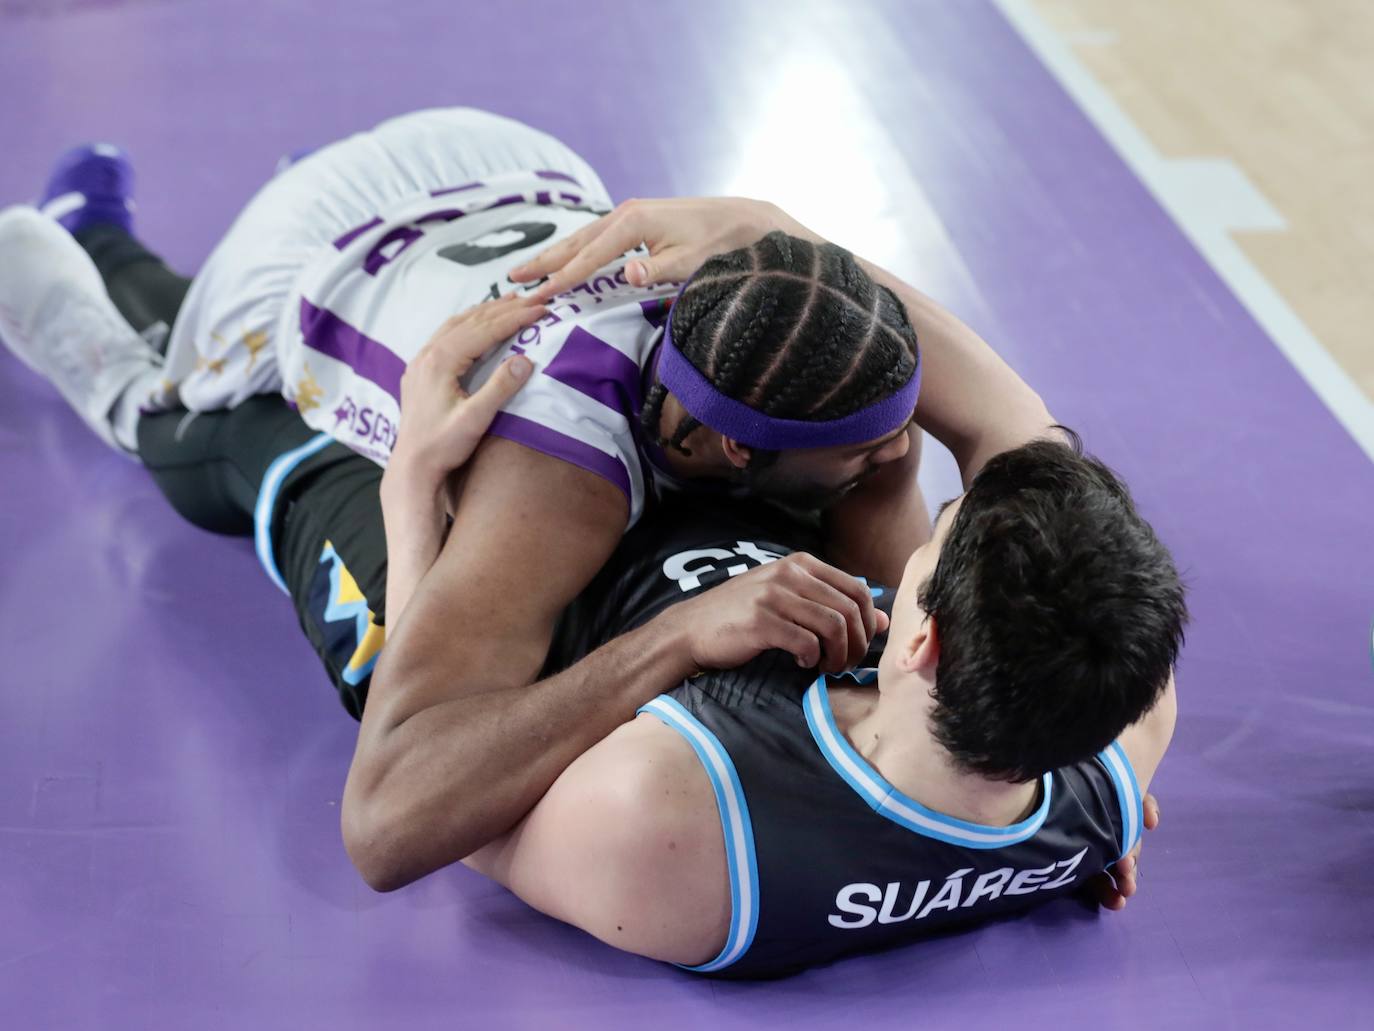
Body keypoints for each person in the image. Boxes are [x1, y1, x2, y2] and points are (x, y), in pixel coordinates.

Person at [0, 244, 1184, 975]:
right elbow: (1003, 439)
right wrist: (779, 250)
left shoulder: (677, 828)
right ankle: (128, 248)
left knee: (228, 435)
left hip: (484, 627)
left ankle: (90, 278)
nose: (926, 535)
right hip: (691, 507)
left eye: (931, 559)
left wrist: (420, 498)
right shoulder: (1110, 729)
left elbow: (417, 804)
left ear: (921, 640)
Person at [6, 108, 1065, 893]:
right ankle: (85, 249)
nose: (899, 461)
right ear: (737, 449)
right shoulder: (557, 467)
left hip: (498, 169)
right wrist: (676, 635)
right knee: (181, 436)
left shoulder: (782, 319)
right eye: (871, 454)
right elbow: (387, 822)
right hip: (311, 258)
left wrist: (1034, 763)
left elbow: (974, 549)